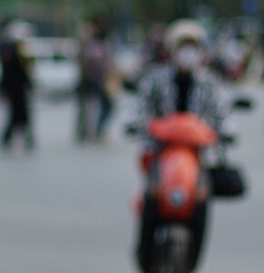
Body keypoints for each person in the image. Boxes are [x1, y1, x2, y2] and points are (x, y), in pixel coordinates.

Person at [130, 19, 226, 272]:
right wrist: (141, 126)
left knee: (201, 204)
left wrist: (226, 132)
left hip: (196, 158)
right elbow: (139, 110)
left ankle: (193, 262)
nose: (187, 53)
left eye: (192, 47)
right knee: (151, 198)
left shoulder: (209, 83)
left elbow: (222, 116)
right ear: (172, 50)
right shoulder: (155, 79)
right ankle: (145, 258)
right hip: (162, 154)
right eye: (183, 46)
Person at [74, 17, 115, 143]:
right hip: (92, 81)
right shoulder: (91, 44)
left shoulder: (98, 43)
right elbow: (95, 62)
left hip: (96, 80)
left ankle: (90, 131)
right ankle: (89, 132)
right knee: (90, 107)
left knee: (99, 106)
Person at [0, 21, 35, 151]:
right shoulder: (10, 53)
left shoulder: (19, 52)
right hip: (14, 90)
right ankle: (10, 137)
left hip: (19, 89)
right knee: (17, 115)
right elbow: (10, 74)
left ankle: (26, 138)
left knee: (20, 115)